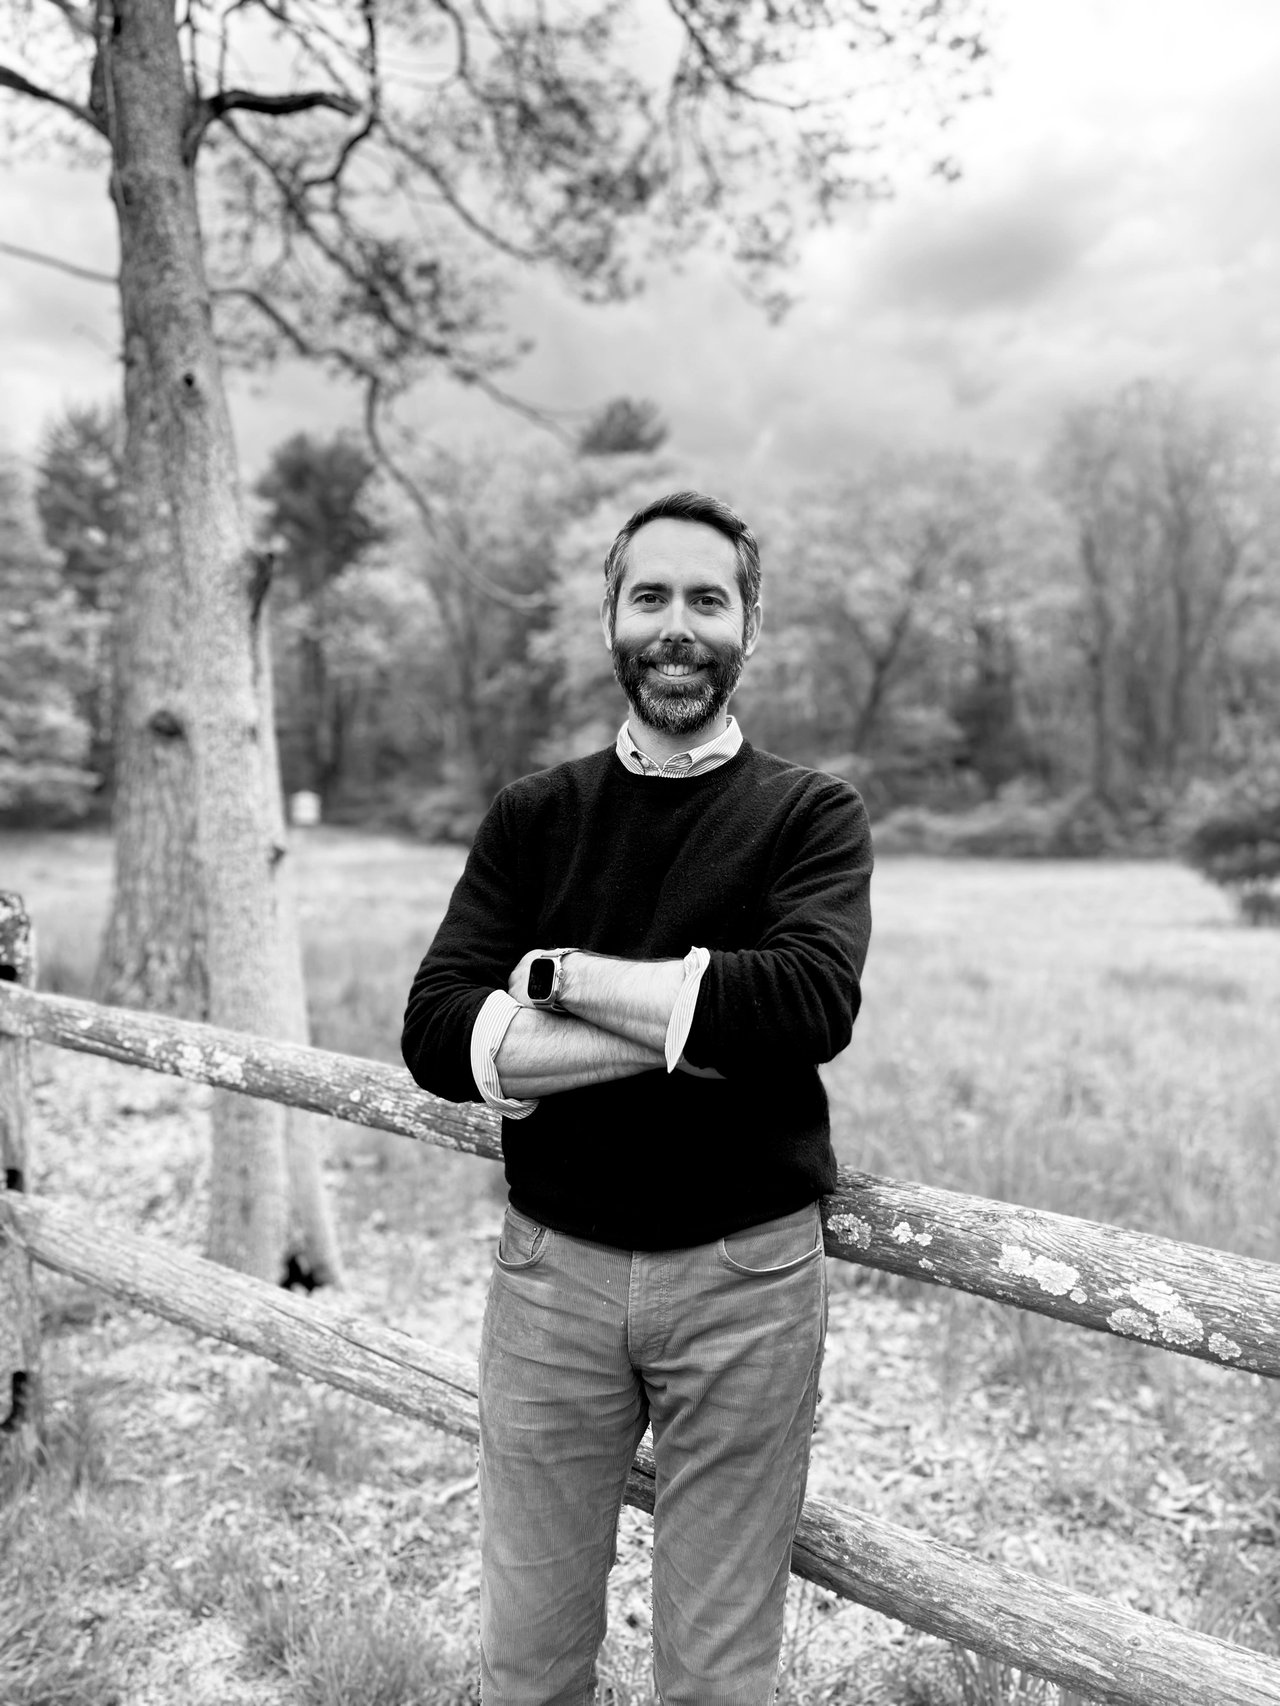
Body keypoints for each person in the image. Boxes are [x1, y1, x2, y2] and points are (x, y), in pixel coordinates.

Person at [402, 490, 872, 1706]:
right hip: (549, 1279)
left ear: (748, 627)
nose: (678, 625)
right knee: (526, 1658)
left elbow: (809, 1005)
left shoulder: (807, 814)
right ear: (610, 616)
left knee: (716, 1672)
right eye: (649, 595)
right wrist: (699, 1017)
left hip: (747, 1285)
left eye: (706, 599)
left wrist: (559, 982)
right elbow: (437, 1031)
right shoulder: (532, 818)